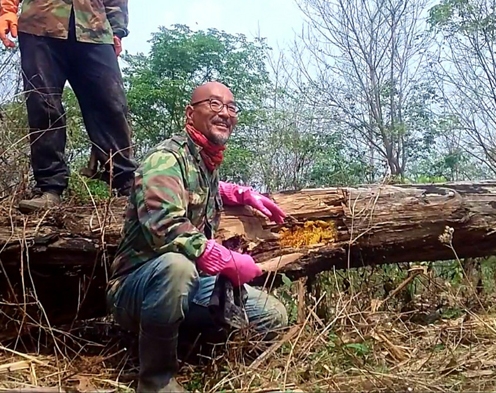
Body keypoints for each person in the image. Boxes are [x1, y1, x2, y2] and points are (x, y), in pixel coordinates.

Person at [106, 81, 289, 393]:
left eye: (231, 107)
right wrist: (224, 259)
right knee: (178, 266)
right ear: (190, 113)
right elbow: (163, 222)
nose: (225, 113)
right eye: (214, 104)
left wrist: (240, 193)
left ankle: (178, 342)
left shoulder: (203, 162)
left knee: (271, 315)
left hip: (187, 287)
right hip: (136, 288)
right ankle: (156, 379)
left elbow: (199, 189)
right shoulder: (166, 157)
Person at [0, 0, 136, 213]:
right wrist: (7, 10)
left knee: (111, 106)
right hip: (40, 24)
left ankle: (127, 185)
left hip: (95, 28)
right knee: (43, 105)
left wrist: (117, 29)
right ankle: (49, 188)